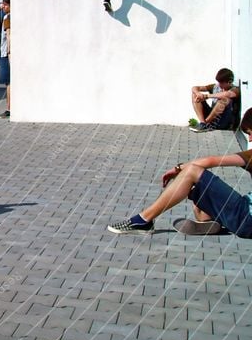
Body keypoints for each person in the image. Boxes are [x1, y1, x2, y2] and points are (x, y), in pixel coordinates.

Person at [108, 109, 252, 236]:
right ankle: (206, 219)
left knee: (192, 173)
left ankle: (143, 221)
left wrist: (179, 169)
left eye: (251, 133)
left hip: (245, 217)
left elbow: (212, 160)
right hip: (244, 213)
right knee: (197, 184)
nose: (250, 139)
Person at [190, 68, 240, 132]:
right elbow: (195, 87)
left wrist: (207, 96)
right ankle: (203, 123)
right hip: (211, 118)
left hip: (224, 121)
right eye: (218, 82)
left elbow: (227, 94)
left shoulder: (235, 90)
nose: (219, 84)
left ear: (229, 82)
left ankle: (205, 124)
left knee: (225, 99)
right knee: (194, 95)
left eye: (221, 82)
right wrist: (198, 93)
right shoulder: (215, 86)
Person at [0, 0, 11, 119]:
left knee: (8, 82)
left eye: (4, 5)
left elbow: (9, 35)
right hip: (9, 54)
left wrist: (9, 52)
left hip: (6, 54)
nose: (2, 7)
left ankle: (9, 109)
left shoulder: (7, 17)